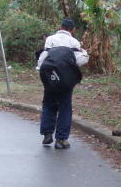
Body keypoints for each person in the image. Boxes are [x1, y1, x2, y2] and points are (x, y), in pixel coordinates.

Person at [37, 17, 89, 149]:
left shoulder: (50, 39)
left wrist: (45, 74)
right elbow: (80, 60)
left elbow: (43, 59)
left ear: (60, 27)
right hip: (66, 81)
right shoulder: (74, 42)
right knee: (65, 107)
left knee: (48, 104)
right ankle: (61, 139)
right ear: (73, 30)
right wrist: (84, 53)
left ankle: (47, 134)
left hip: (50, 79)